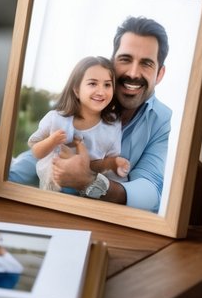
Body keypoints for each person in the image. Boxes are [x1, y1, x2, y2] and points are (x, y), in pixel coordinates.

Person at [9, 16, 172, 212]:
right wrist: (5, 181)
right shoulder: (86, 103)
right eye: (125, 59)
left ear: (160, 74)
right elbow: (41, 154)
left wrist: (89, 182)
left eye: (146, 63)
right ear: (112, 64)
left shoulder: (162, 120)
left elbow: (150, 191)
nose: (134, 73)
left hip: (111, 221)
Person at [26, 55, 129, 192]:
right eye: (92, 83)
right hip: (52, 190)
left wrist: (113, 164)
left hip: (84, 191)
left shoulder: (111, 126)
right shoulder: (56, 118)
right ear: (76, 90)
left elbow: (95, 165)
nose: (101, 91)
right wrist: (52, 141)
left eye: (107, 85)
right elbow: (36, 151)